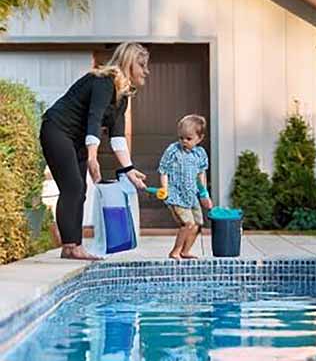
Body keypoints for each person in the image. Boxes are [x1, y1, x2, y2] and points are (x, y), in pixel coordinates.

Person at [40, 42, 150, 260]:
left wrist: (129, 169)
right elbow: (94, 118)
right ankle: (72, 245)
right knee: (72, 187)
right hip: (57, 130)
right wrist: (92, 157)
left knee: (79, 191)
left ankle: (72, 247)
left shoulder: (122, 96)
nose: (146, 70)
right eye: (142, 65)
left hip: (77, 138)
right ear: (129, 63)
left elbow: (117, 137)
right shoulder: (103, 82)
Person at [158, 114, 213, 259]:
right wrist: (164, 189)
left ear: (199, 138)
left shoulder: (200, 154)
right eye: (181, 138)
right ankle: (175, 251)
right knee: (187, 223)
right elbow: (163, 170)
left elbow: (201, 174)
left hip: (192, 195)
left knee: (198, 224)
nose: (184, 141)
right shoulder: (173, 150)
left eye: (189, 139)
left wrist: (204, 194)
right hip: (176, 195)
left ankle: (185, 251)